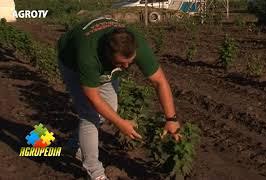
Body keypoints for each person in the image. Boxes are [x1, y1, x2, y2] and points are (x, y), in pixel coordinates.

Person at [57, 16, 181, 180]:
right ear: (108, 54)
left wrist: (171, 118)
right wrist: (120, 123)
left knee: (110, 108)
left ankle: (76, 143)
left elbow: (159, 81)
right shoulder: (88, 57)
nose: (126, 68)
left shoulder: (137, 46)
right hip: (71, 61)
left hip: (103, 62)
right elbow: (94, 99)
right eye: (121, 64)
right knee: (90, 115)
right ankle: (95, 172)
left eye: (130, 62)